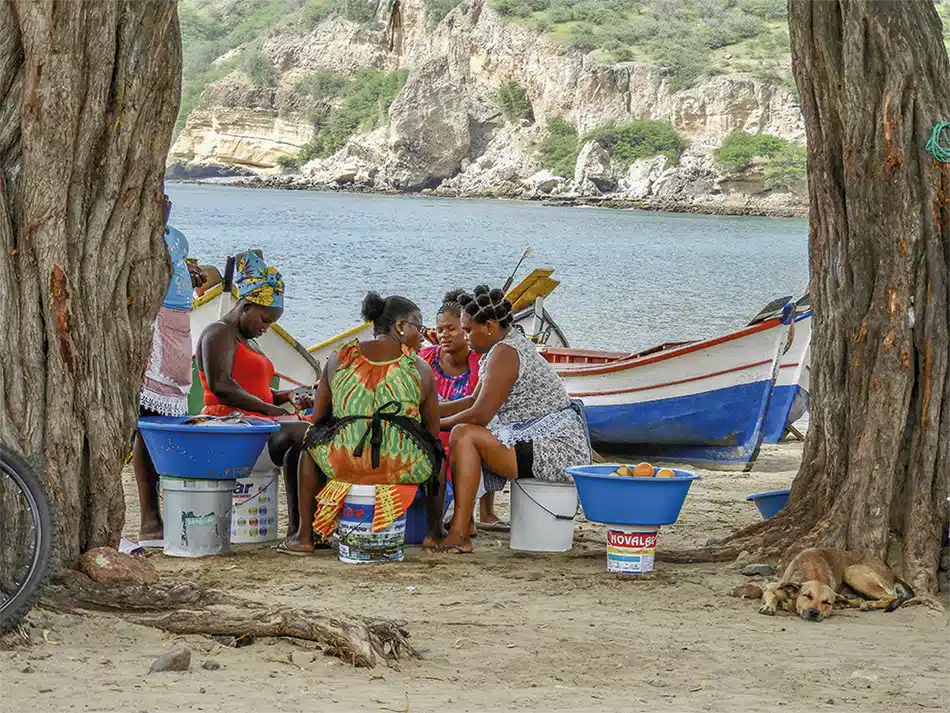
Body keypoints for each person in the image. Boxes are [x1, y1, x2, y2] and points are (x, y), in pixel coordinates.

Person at [280, 292, 445, 554]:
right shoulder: (420, 368)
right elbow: (432, 431)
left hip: (345, 463)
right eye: (418, 326)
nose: (423, 335)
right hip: (400, 465)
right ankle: (435, 533)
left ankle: (304, 536)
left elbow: (319, 417)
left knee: (309, 446)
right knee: (437, 453)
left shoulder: (339, 358)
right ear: (400, 326)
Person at [436, 285, 592, 554]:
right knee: (464, 432)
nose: (466, 336)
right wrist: (428, 409)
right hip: (540, 440)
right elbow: (473, 401)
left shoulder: (505, 353)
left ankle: (460, 532)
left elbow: (481, 414)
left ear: (489, 326)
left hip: (557, 450)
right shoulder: (498, 349)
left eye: (468, 329)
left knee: (464, 434)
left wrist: (434, 424)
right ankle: (464, 525)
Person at [196, 250, 310, 536]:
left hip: (253, 423)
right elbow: (221, 385)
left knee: (312, 429)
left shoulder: (247, 341)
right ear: (246, 305)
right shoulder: (218, 333)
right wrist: (271, 410)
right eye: (264, 320)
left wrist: (286, 396)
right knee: (300, 434)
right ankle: (299, 529)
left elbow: (254, 390)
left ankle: (306, 526)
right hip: (229, 426)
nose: (265, 328)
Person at [132, 194, 206, 546]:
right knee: (147, 423)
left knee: (166, 419)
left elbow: (174, 269)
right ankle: (149, 519)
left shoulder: (175, 236)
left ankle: (162, 512)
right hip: (155, 326)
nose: (163, 200)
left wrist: (189, 274)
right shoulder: (134, 233)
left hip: (179, 326)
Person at [419, 290, 506, 532]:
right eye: (440, 330)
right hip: (431, 438)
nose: (444, 335)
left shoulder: (480, 362)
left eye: (452, 329)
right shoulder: (424, 360)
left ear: (467, 330)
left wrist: (435, 414)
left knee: (482, 429)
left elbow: (480, 407)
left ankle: (481, 514)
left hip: (461, 437)